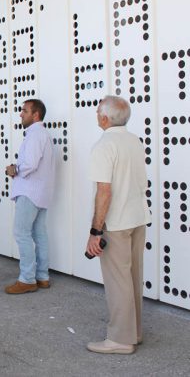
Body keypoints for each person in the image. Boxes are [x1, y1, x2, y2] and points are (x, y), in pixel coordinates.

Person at [85, 95, 149, 355]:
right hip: (138, 218)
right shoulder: (134, 141)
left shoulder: (104, 145)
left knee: (117, 281)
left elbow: (104, 192)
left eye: (98, 110)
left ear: (105, 118)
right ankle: (134, 332)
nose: (97, 114)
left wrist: (95, 231)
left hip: (117, 222)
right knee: (133, 278)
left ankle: (121, 340)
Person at [4, 99, 56, 294]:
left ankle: (27, 279)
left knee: (21, 232)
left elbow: (30, 164)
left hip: (30, 191)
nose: (20, 114)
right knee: (39, 233)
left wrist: (14, 169)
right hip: (41, 192)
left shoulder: (35, 134)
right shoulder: (43, 134)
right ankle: (42, 277)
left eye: (24, 111)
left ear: (36, 115)